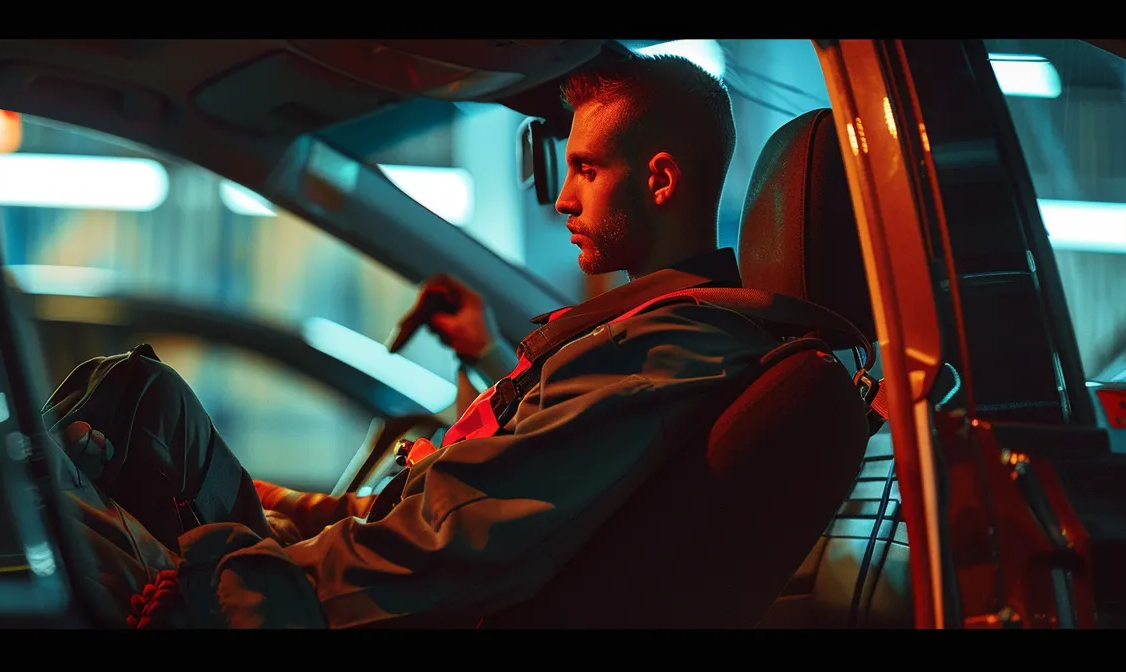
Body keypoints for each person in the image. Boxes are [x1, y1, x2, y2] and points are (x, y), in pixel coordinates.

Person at [48, 52, 779, 629]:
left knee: (32, 502)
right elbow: (472, 489)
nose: (563, 195)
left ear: (659, 179)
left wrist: (239, 581)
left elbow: (467, 536)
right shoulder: (642, 333)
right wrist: (300, 513)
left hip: (328, 606)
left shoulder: (670, 345)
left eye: (587, 169)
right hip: (358, 572)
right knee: (136, 395)